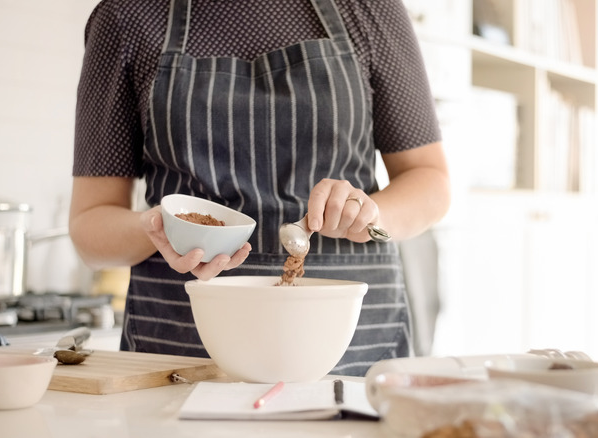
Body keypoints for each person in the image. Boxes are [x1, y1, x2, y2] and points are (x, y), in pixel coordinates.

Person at [69, 0, 450, 377]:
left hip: (349, 349)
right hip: (183, 348)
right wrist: (163, 226)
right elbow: (90, 225)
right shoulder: (128, 16)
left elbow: (429, 181)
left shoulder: (368, 9)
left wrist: (370, 215)